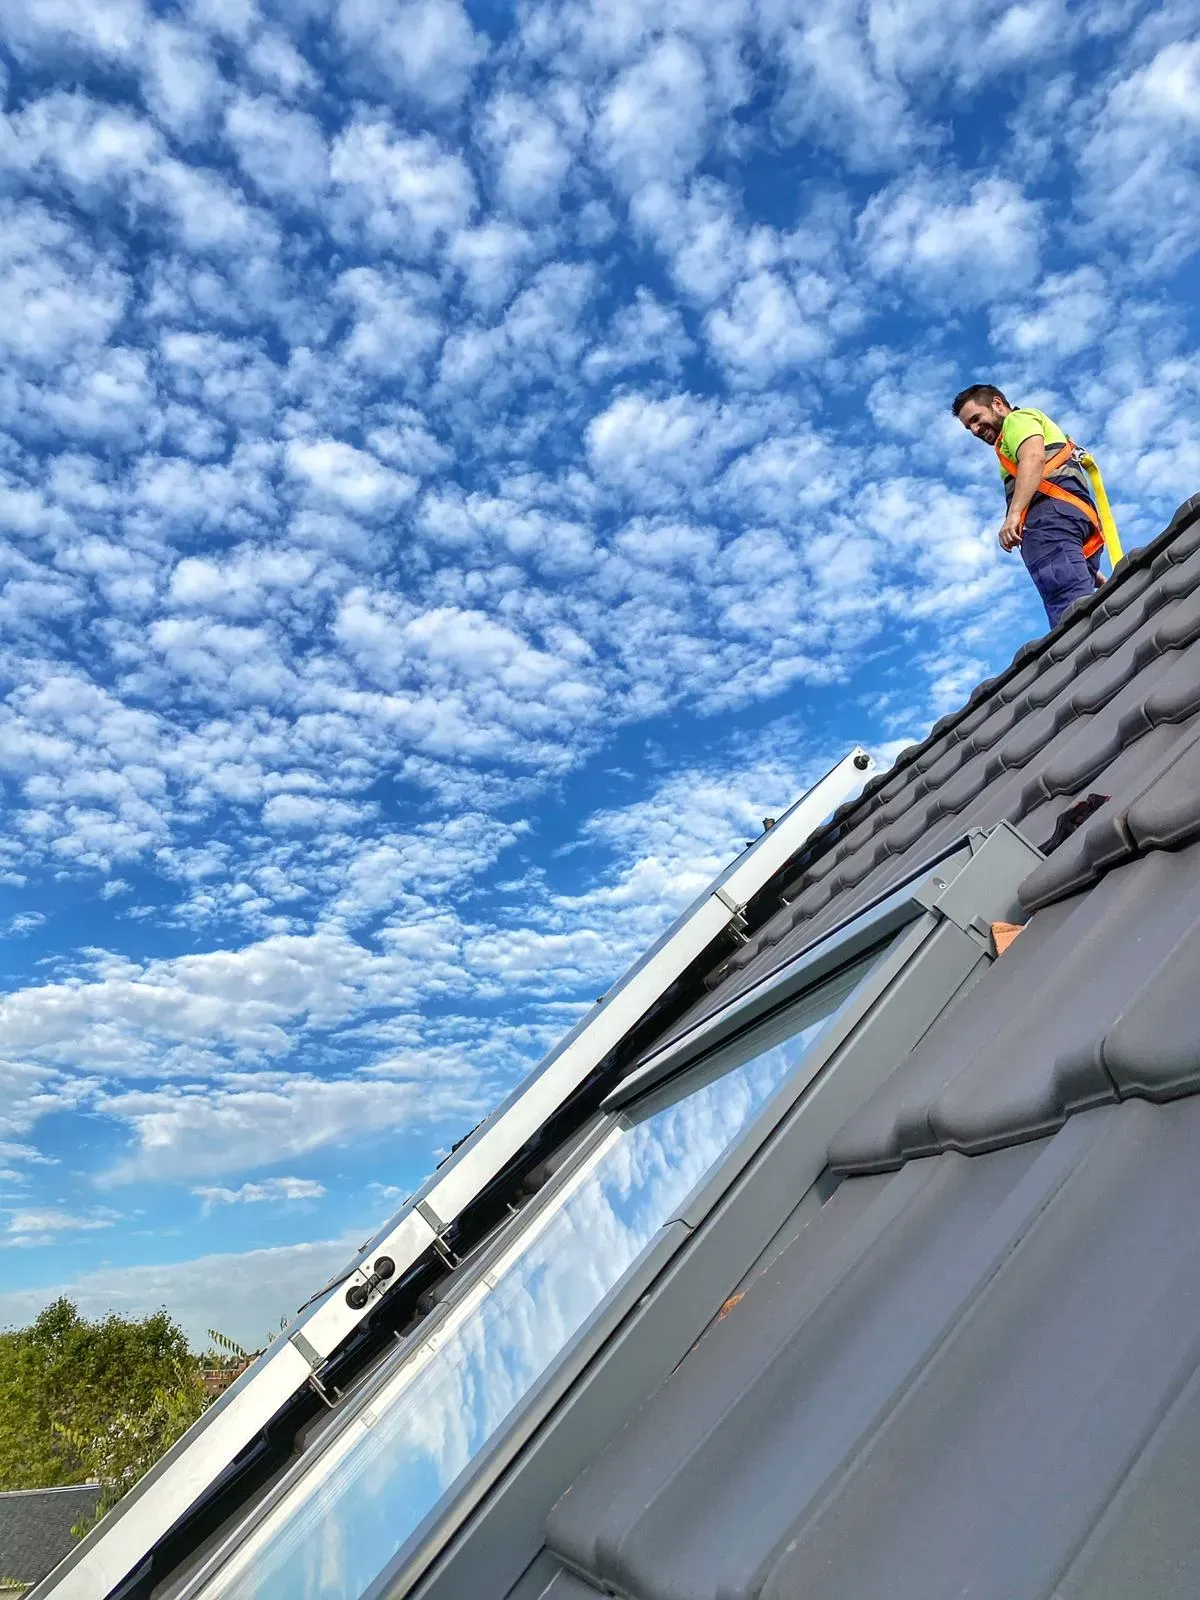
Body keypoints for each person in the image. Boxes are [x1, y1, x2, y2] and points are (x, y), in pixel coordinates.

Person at [952, 384, 1105, 629]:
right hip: (1073, 523)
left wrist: (1014, 515)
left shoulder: (1017, 421)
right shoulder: (1014, 439)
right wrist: (1086, 572)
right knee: (1080, 604)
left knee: (1072, 621)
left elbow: (1033, 458)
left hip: (1050, 522)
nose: (974, 430)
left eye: (976, 419)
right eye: (968, 426)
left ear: (997, 404)